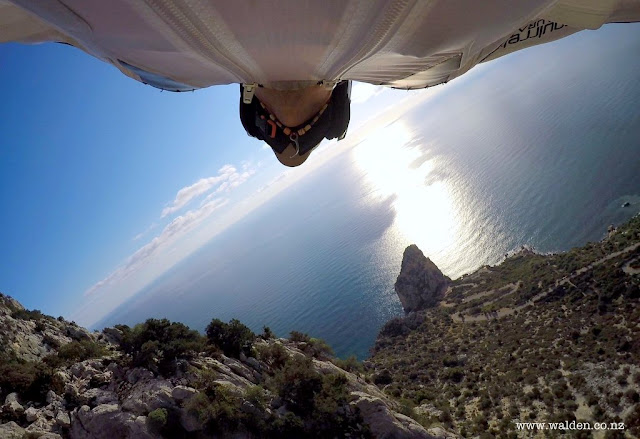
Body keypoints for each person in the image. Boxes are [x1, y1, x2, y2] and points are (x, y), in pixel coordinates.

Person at [2, 0, 639, 166]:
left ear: (250, 107)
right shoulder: (422, 60)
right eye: (305, 133)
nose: (284, 134)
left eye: (264, 131)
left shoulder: (164, 68)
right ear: (338, 100)